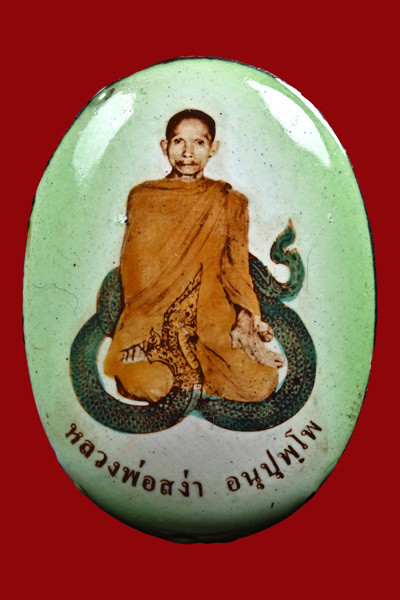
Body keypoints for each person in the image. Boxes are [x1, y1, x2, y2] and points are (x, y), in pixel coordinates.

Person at [104, 109, 284, 403]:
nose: (188, 153)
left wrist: (246, 319)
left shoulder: (230, 201)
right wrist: (136, 335)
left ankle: (203, 375)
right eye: (179, 142)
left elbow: (237, 267)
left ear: (213, 148)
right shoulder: (144, 197)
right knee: (149, 385)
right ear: (165, 146)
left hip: (210, 321)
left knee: (259, 385)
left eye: (199, 143)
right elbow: (134, 269)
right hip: (154, 324)